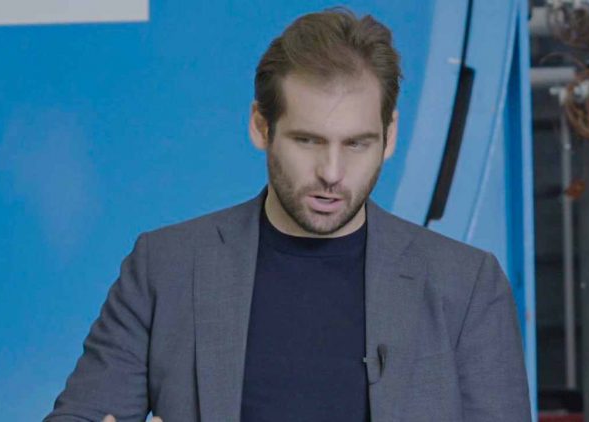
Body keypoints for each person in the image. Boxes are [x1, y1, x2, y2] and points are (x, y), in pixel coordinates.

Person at [45, 7, 530, 422]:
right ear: (261, 126)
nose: (331, 173)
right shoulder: (165, 267)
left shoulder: (466, 286)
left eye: (357, 144)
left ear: (390, 136)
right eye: (308, 141)